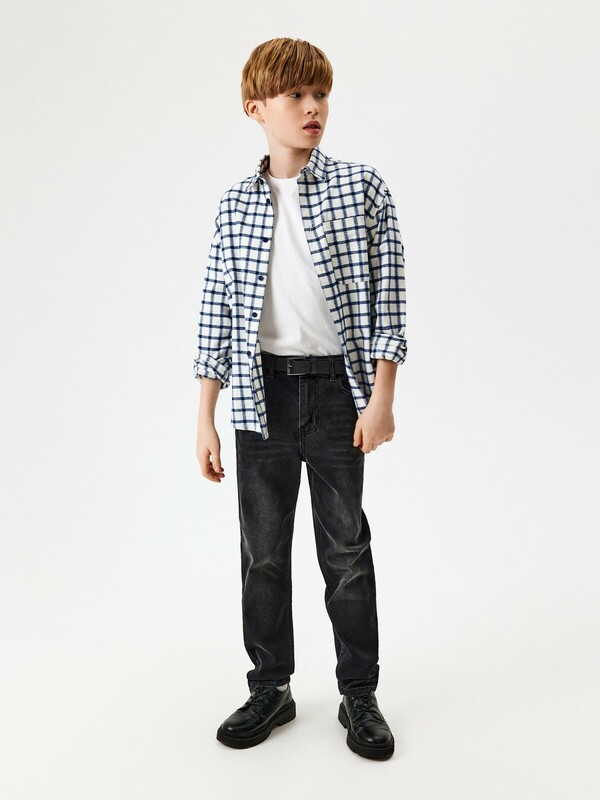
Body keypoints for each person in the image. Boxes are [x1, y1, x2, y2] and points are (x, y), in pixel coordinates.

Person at [194, 37, 407, 760]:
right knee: (262, 552)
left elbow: (388, 299)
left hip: (339, 394)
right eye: (296, 96)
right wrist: (204, 418)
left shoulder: (362, 188)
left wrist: (381, 398)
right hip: (261, 397)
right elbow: (217, 312)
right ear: (255, 108)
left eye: (321, 94)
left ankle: (359, 694)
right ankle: (270, 688)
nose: (313, 107)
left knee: (345, 549)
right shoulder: (234, 205)